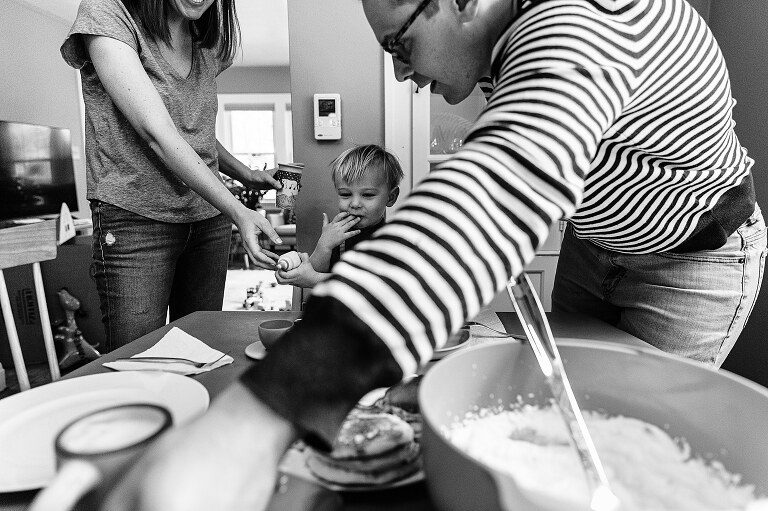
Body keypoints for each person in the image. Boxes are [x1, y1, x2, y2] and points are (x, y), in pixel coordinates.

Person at [93, 0, 767, 509]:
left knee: (630, 452)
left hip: (691, 264)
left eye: (401, 42)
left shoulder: (589, 18)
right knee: (561, 422)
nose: (399, 70)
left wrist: (253, 422)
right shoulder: (514, 34)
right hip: (598, 246)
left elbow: (495, 190)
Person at [60, 0, 284, 351]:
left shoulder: (206, 37)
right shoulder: (108, 13)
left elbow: (191, 132)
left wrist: (244, 174)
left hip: (208, 217)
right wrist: (238, 210)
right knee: (138, 361)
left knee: (201, 351)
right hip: (137, 220)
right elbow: (157, 132)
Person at [275, 144, 403, 289]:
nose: (355, 204)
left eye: (367, 195)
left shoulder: (391, 242)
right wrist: (324, 245)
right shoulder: (339, 234)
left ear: (391, 197)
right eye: (345, 194)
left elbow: (371, 286)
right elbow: (314, 271)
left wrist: (314, 279)